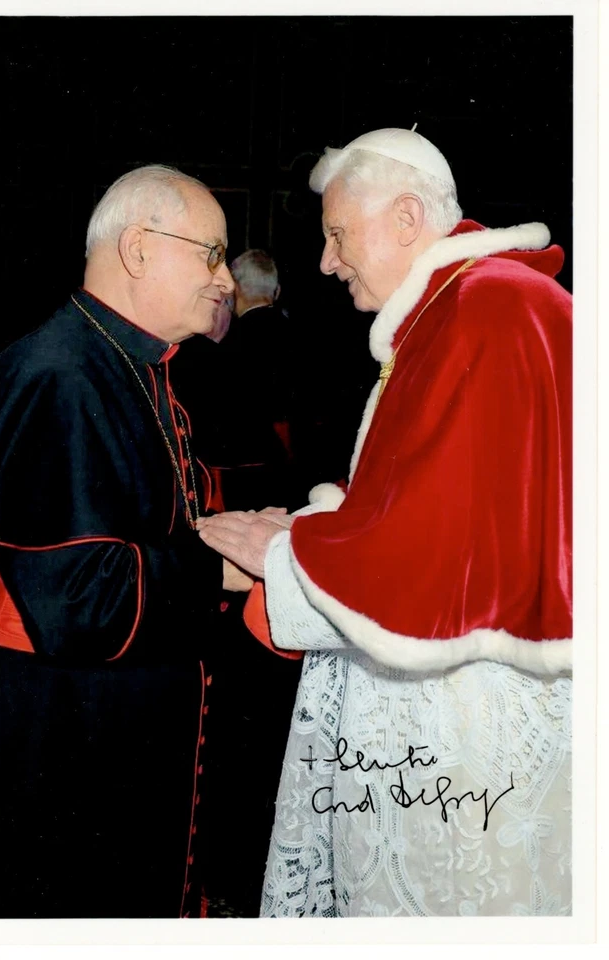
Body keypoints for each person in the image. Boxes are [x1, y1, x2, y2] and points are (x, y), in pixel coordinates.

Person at [197, 128, 573, 917]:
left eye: (338, 235)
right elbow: (438, 504)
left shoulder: (491, 306)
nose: (327, 261)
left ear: (407, 219)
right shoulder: (458, 306)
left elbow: (446, 553)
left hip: (477, 721)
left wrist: (289, 549)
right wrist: (327, 519)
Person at [0, 164, 253, 919]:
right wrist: (223, 569)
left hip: (118, 731)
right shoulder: (60, 375)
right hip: (70, 745)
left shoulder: (128, 364)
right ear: (139, 248)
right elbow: (73, 597)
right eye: (210, 254)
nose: (226, 282)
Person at [217, 249, 296, 512]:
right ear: (277, 290)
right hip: (297, 475)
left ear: (234, 289)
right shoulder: (305, 340)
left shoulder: (228, 345)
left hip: (245, 476)